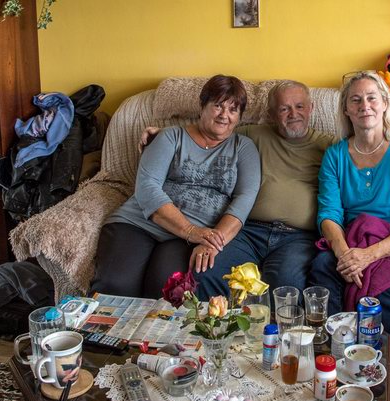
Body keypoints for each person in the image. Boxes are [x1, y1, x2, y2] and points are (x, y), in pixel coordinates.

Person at [140, 80, 390, 299]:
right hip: (249, 231)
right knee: (208, 273)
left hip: (298, 237)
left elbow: (379, 170)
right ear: (271, 114)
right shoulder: (251, 136)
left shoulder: (332, 147)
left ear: (311, 109)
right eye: (284, 109)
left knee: (288, 287)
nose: (293, 114)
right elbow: (214, 129)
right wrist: (163, 134)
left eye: (299, 107)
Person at [89, 75, 261, 298]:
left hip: (186, 239)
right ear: (202, 106)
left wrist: (212, 240)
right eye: (218, 105)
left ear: (239, 117)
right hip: (138, 224)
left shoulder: (243, 147)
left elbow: (245, 199)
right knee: (116, 286)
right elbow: (147, 187)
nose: (224, 115)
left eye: (233, 109)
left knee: (168, 292)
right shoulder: (171, 136)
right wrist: (191, 230)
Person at [309, 71, 390, 343]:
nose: (364, 105)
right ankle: (333, 353)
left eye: (371, 98)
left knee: (378, 292)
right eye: (355, 100)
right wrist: (345, 255)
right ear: (346, 109)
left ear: (385, 103)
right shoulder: (335, 156)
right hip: (354, 237)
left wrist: (367, 256)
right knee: (323, 266)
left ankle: (375, 365)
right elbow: (329, 214)